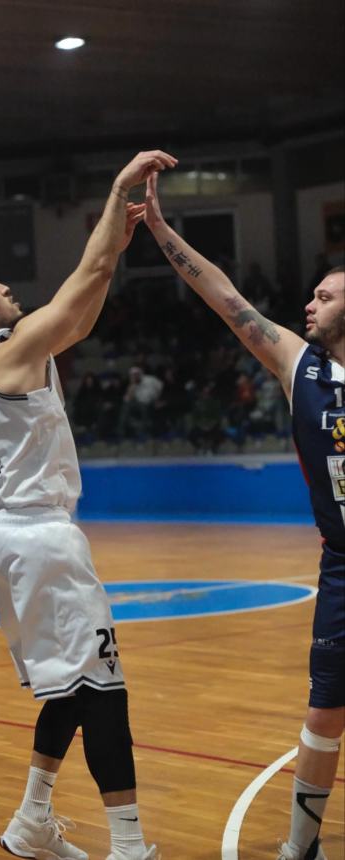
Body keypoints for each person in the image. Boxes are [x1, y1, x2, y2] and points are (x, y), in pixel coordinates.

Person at [0, 149, 178, 860]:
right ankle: (129, 847)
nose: (8, 289)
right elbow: (81, 288)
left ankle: (31, 820)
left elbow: (78, 318)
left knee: (66, 687)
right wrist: (115, 196)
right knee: (104, 689)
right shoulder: (3, 349)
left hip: (4, 535)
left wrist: (112, 252)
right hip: (38, 536)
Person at [143, 169, 344, 860]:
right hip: (343, 567)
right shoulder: (300, 366)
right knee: (323, 711)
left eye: (325, 296)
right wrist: (163, 232)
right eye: (312, 294)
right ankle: (302, 847)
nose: (309, 304)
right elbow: (227, 299)